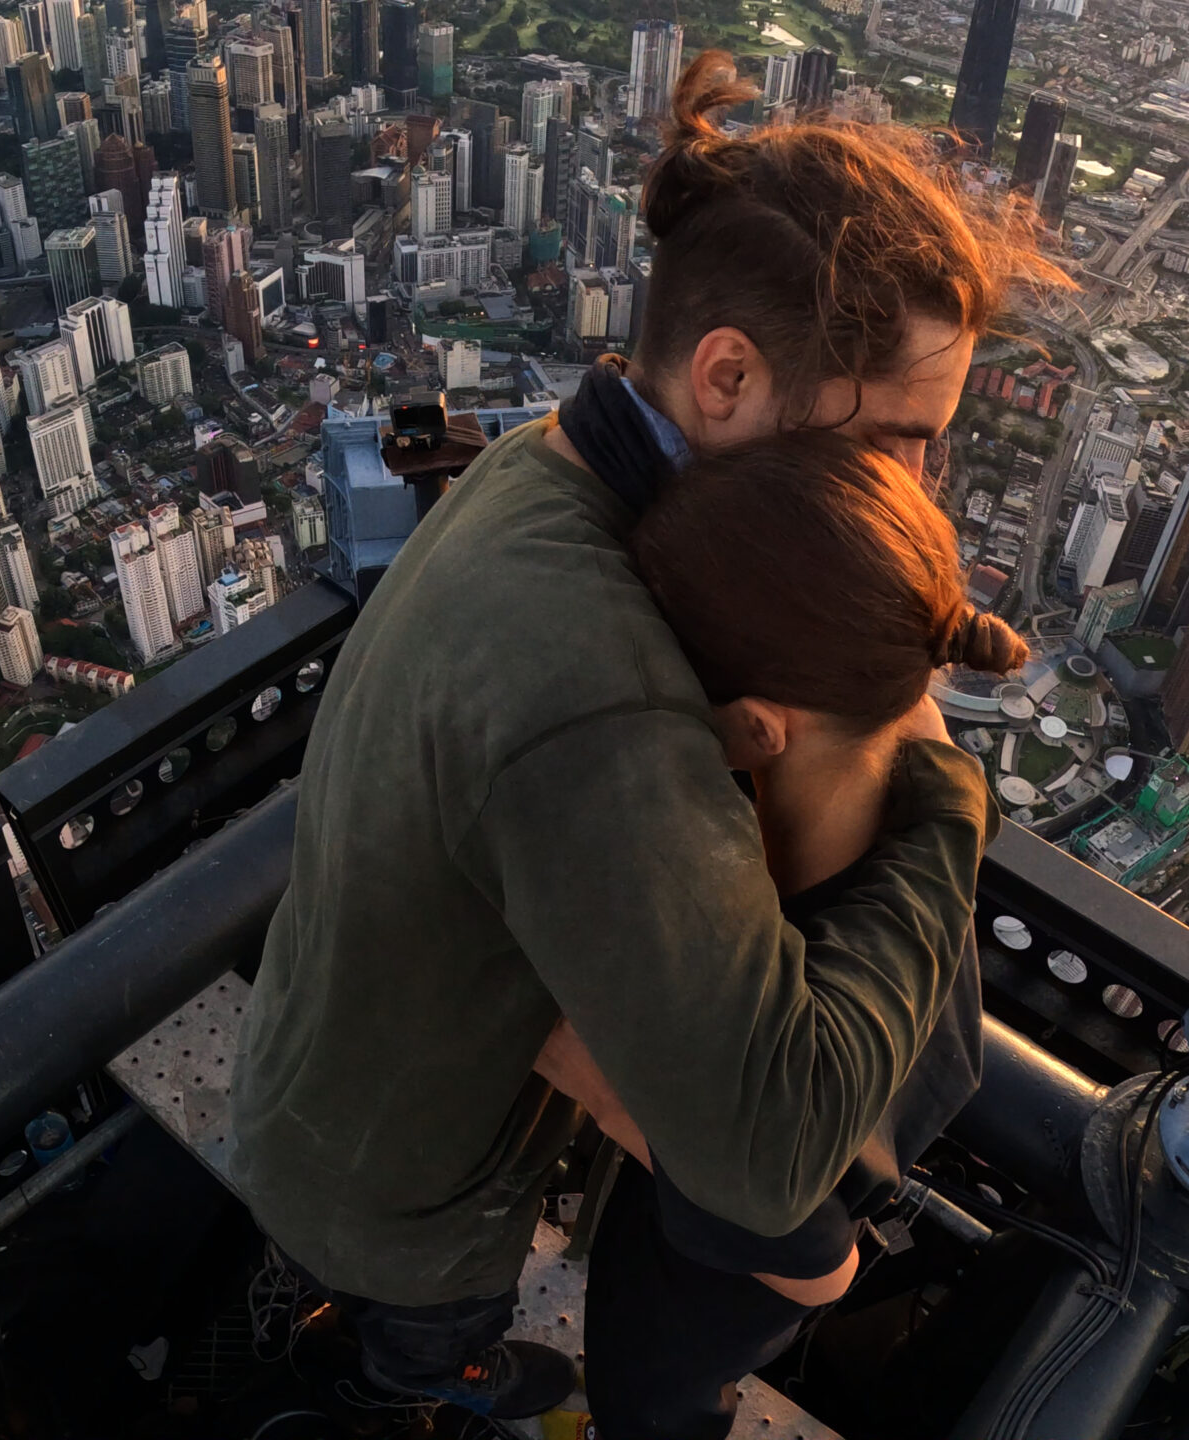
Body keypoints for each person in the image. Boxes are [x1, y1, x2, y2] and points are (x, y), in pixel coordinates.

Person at [229, 49, 1066, 1424]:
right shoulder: (595, 678)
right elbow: (767, 1152)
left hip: (338, 1080)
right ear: (728, 374)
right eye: (903, 441)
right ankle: (411, 1390)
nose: (919, 489)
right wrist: (939, 794)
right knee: (418, 1360)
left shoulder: (557, 460)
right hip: (404, 1203)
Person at [531, 432, 1026, 1438]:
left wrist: (591, 1080)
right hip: (853, 1153)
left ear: (755, 728)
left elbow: (816, 1267)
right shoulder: (913, 799)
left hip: (714, 1286)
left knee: (650, 1396)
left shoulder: (757, 1019)